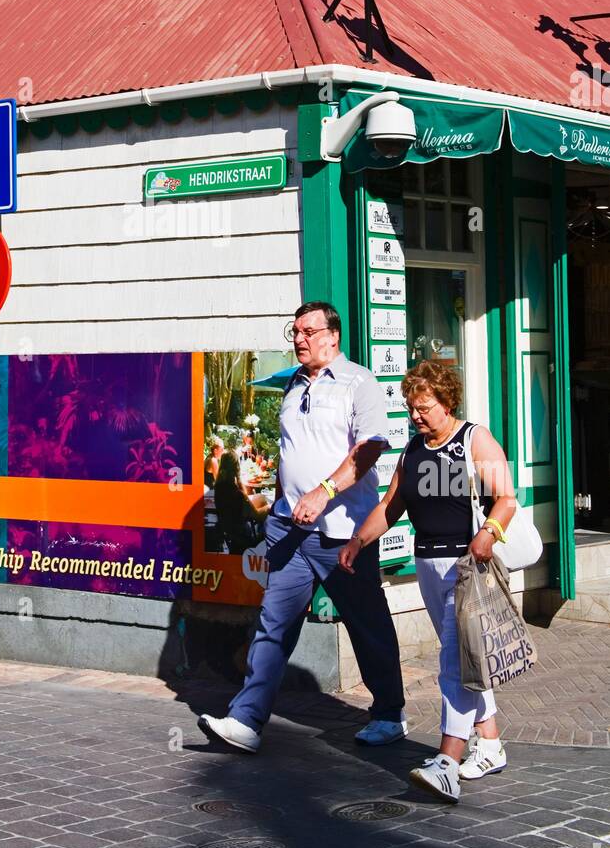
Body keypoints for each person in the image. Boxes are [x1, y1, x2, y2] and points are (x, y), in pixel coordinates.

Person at [198, 301, 405, 753]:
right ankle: (246, 721)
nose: (299, 339)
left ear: (333, 334)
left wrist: (324, 491)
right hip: (289, 532)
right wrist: (274, 510)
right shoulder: (293, 384)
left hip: (342, 533)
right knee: (273, 624)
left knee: (366, 624)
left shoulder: (360, 382)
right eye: (294, 331)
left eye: (308, 331)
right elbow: (292, 454)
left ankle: (389, 714)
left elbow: (370, 448)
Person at [339, 360, 517, 804]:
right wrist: (358, 541)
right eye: (411, 408)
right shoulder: (413, 450)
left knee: (453, 662)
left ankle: (447, 762)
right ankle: (490, 742)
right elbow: (390, 506)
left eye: (425, 406)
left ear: (447, 400)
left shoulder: (473, 438)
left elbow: (507, 500)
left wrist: (487, 534)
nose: (417, 415)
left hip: (466, 565)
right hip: (426, 565)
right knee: (465, 657)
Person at [214, 450, 269, 555]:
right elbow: (256, 515)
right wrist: (270, 507)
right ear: (236, 467)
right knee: (269, 508)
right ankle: (261, 546)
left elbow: (245, 497)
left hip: (229, 525)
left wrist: (238, 479)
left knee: (261, 498)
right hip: (243, 534)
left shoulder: (220, 486)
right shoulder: (236, 494)